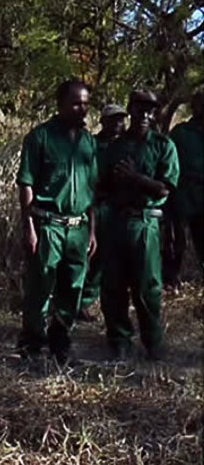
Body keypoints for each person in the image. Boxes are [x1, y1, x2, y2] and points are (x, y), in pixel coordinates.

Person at [15, 78, 98, 366]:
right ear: (60, 104)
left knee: (72, 288)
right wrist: (29, 228)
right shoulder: (40, 137)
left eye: (86, 104)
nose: (82, 109)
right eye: (76, 103)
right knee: (40, 286)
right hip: (48, 224)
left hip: (78, 227)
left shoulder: (89, 141)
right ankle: (32, 344)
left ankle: (61, 341)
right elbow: (26, 183)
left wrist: (92, 231)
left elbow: (91, 189)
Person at [99, 90, 179, 361]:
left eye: (150, 110)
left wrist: (134, 178)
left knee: (148, 288)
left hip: (146, 223)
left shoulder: (163, 145)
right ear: (130, 110)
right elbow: (102, 186)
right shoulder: (115, 146)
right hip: (116, 222)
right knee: (113, 286)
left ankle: (153, 342)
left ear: (154, 114)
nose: (144, 115)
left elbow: (164, 189)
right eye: (139, 109)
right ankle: (119, 340)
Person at [78, 103, 128, 322]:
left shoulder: (126, 145)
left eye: (121, 119)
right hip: (97, 205)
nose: (118, 124)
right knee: (93, 255)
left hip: (121, 206)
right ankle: (80, 302)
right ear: (103, 121)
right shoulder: (93, 145)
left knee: (112, 257)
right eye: (113, 119)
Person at [163, 91, 204, 286]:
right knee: (177, 241)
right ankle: (171, 279)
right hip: (183, 196)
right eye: (199, 104)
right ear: (193, 107)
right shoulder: (180, 133)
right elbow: (168, 162)